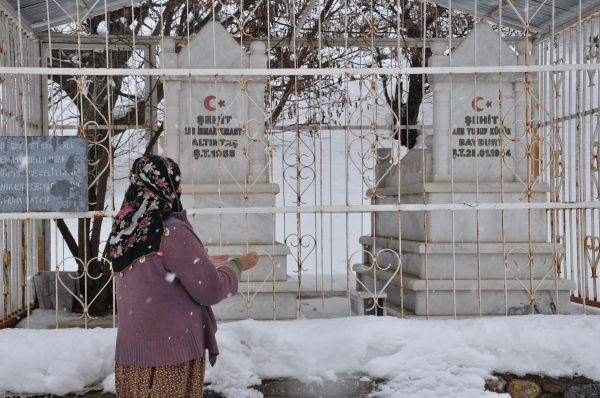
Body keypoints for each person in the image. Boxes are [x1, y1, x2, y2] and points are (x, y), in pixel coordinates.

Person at [108, 155, 258, 397]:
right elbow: (210, 289)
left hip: (131, 358)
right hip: (169, 357)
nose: (180, 189)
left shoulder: (125, 228)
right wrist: (236, 267)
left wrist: (201, 262)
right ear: (163, 187)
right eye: (175, 183)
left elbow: (152, 271)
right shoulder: (172, 230)